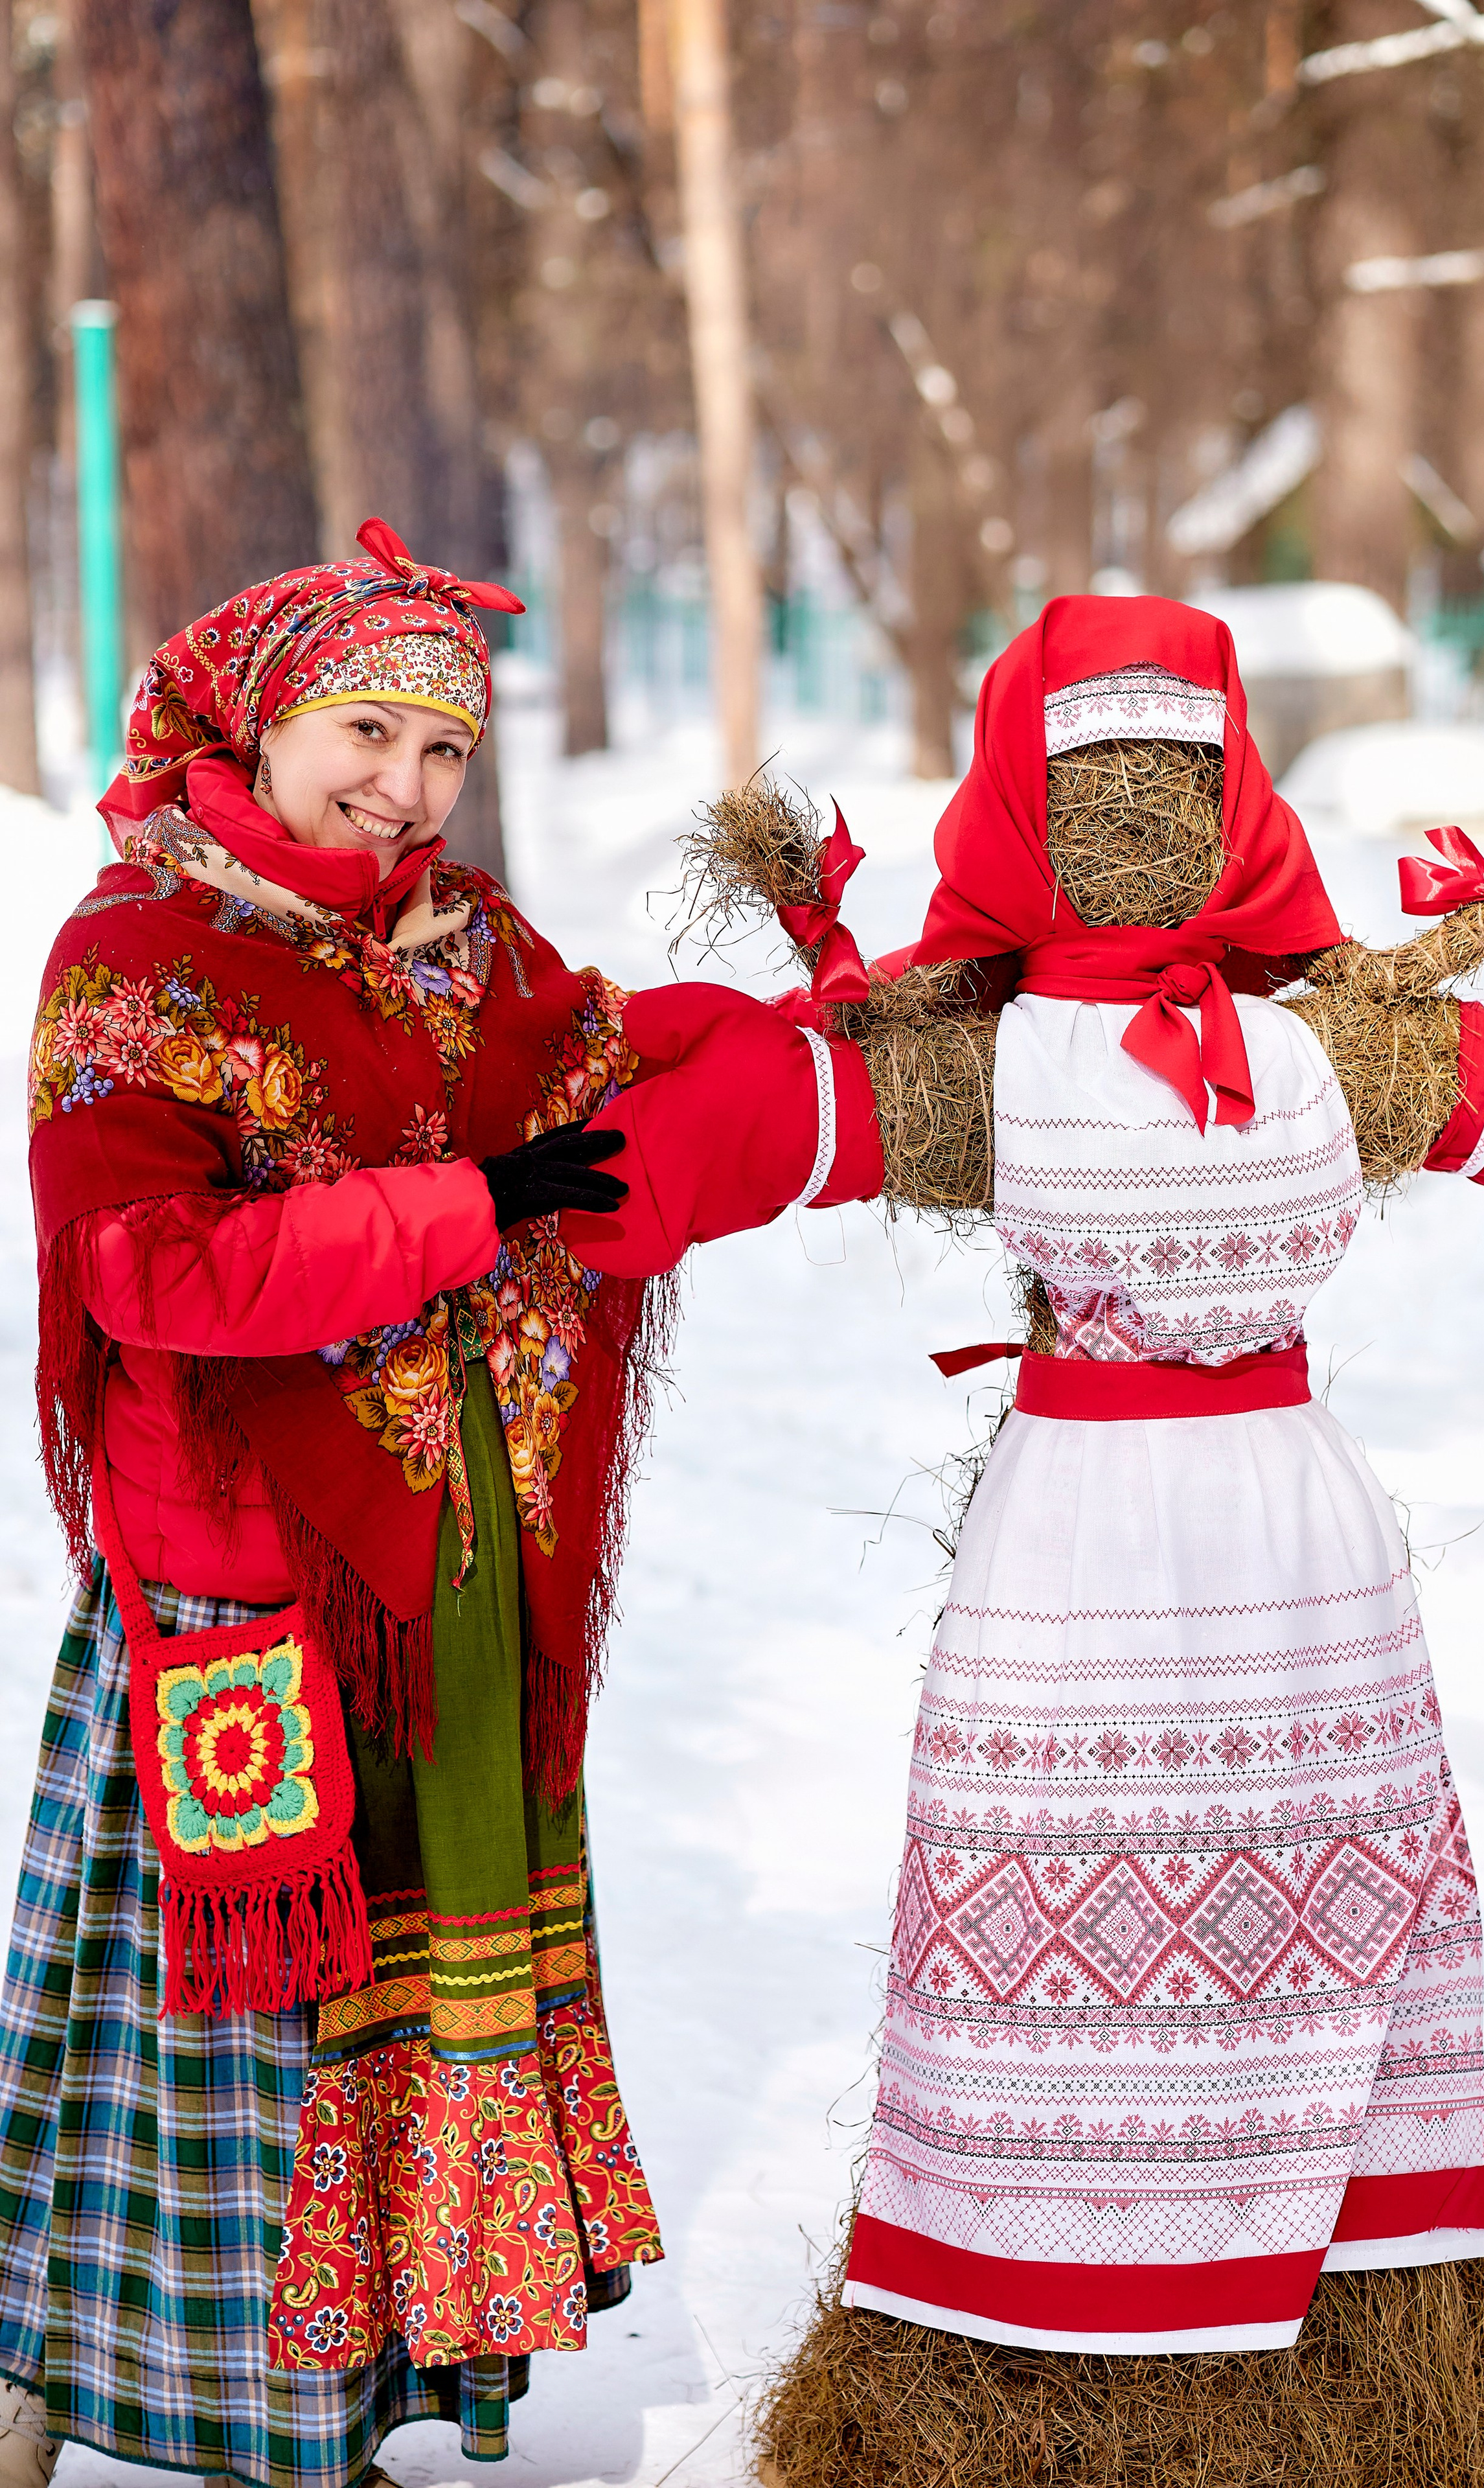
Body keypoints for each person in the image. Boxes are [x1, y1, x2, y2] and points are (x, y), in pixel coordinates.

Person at [562, 595, 1484, 2484]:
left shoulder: (996, 1068)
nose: (1138, 829)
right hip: (1276, 1536)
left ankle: (1086, 2336)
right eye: (1122, 794)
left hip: (1086, 1536)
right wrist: (570, 1167)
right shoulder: (1341, 1052)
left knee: (1075, 1929)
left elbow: (738, 1136)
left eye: (1162, 791)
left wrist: (564, 1191)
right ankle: (1299, 2354)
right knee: (1249, 1907)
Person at [0, 520, 876, 2488]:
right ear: (262, 717)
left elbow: (607, 1081)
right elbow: (154, 1269)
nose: (402, 788)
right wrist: (467, 1211)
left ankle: (358, 2386)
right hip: (233, 1581)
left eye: (444, 753)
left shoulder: (472, 949)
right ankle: (86, 2371)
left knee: (412, 1994)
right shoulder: (136, 959)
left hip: (442, 1574)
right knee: (221, 2027)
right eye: (366, 732)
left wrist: (821, 1044)